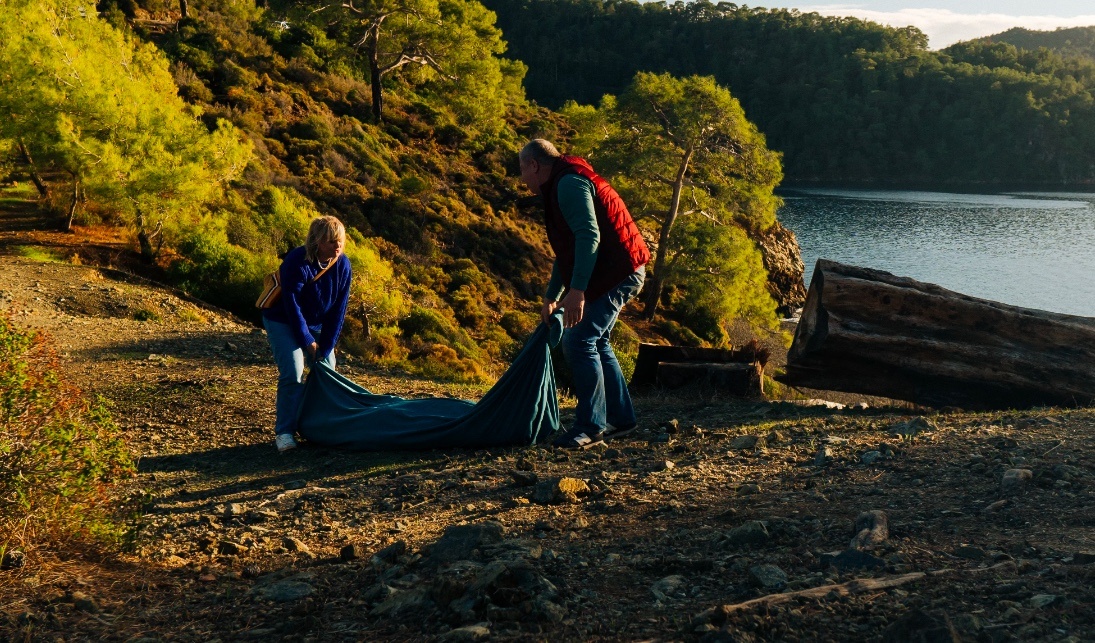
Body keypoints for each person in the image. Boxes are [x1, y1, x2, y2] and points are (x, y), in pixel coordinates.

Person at [518, 139, 651, 449]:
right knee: (597, 340)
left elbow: (589, 235)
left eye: (522, 169)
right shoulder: (562, 182)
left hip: (621, 271)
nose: (522, 178)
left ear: (534, 166)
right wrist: (552, 295)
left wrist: (576, 292)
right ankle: (621, 418)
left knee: (578, 341)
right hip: (613, 271)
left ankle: (590, 427)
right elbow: (568, 250)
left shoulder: (568, 184)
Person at [262, 216, 352, 452]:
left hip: (315, 322)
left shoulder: (343, 265)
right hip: (282, 320)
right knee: (293, 371)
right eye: (332, 241)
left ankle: (322, 426)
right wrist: (308, 343)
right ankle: (284, 432)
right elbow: (292, 307)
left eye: (340, 241)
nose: (337, 246)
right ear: (317, 241)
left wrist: (327, 345)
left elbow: (338, 310)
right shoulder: (296, 261)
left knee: (328, 369)